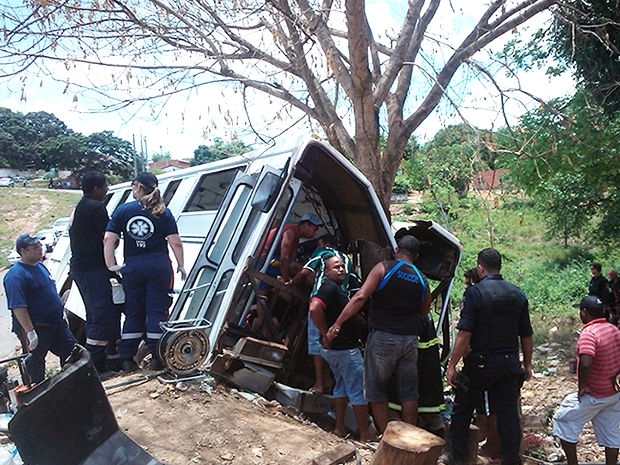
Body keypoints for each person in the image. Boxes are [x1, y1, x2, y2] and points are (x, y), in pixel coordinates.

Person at [326, 235, 431, 433]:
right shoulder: (421, 278)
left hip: (383, 338)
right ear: (416, 256)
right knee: (408, 393)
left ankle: (386, 437)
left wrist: (338, 322)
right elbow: (424, 310)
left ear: (397, 250)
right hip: (409, 340)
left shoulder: (384, 268)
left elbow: (361, 296)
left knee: (375, 389)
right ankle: (408, 440)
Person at [446, 248, 533, 465]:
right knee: (508, 416)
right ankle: (512, 459)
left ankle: (458, 459)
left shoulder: (474, 294)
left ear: (480, 267)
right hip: (509, 364)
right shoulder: (517, 293)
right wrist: (527, 364)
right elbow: (526, 334)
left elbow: (465, 333)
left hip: (481, 365)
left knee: (462, 412)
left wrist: (452, 364)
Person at [103, 171, 187, 373]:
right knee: (157, 312)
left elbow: (108, 239)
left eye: (133, 185)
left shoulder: (123, 211)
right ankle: (158, 357)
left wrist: (110, 265)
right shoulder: (163, 212)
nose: (132, 189)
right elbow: (175, 242)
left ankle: (127, 359)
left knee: (133, 312)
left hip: (132, 267)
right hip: (159, 266)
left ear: (138, 186)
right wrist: (181, 265)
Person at [288, 233, 360, 393]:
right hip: (340, 305)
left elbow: (306, 271)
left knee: (316, 342)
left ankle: (320, 383)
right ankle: (331, 382)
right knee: (333, 344)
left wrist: (292, 282)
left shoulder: (323, 253)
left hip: (322, 300)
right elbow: (355, 287)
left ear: (325, 243)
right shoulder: (346, 260)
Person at [552, 295, 620, 465]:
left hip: (595, 393)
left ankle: (572, 463)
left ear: (584, 312)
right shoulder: (613, 329)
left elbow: (586, 361)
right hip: (613, 393)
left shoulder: (589, 333)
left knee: (563, 421)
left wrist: (582, 386)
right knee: (611, 431)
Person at [308, 255, 370, 441]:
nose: (341, 269)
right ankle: (366, 434)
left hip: (337, 350)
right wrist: (325, 332)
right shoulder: (329, 288)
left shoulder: (336, 289)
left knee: (341, 388)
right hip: (344, 350)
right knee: (358, 390)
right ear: (326, 272)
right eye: (336, 267)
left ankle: (339, 428)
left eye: (343, 266)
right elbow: (314, 308)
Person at [3, 233, 78, 384]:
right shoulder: (15, 276)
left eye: (40, 246)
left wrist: (60, 313)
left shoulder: (40, 266)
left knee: (73, 353)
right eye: (35, 247)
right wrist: (30, 332)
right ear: (23, 251)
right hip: (37, 327)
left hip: (56, 324)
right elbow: (18, 307)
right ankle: (36, 394)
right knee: (35, 364)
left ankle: (72, 385)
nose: (40, 249)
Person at [69, 170, 122, 376]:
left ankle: (111, 361)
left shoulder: (80, 207)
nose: (107, 189)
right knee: (102, 315)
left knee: (96, 315)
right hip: (93, 269)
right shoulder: (96, 208)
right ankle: (96, 367)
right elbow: (108, 238)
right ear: (97, 188)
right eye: (105, 186)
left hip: (83, 269)